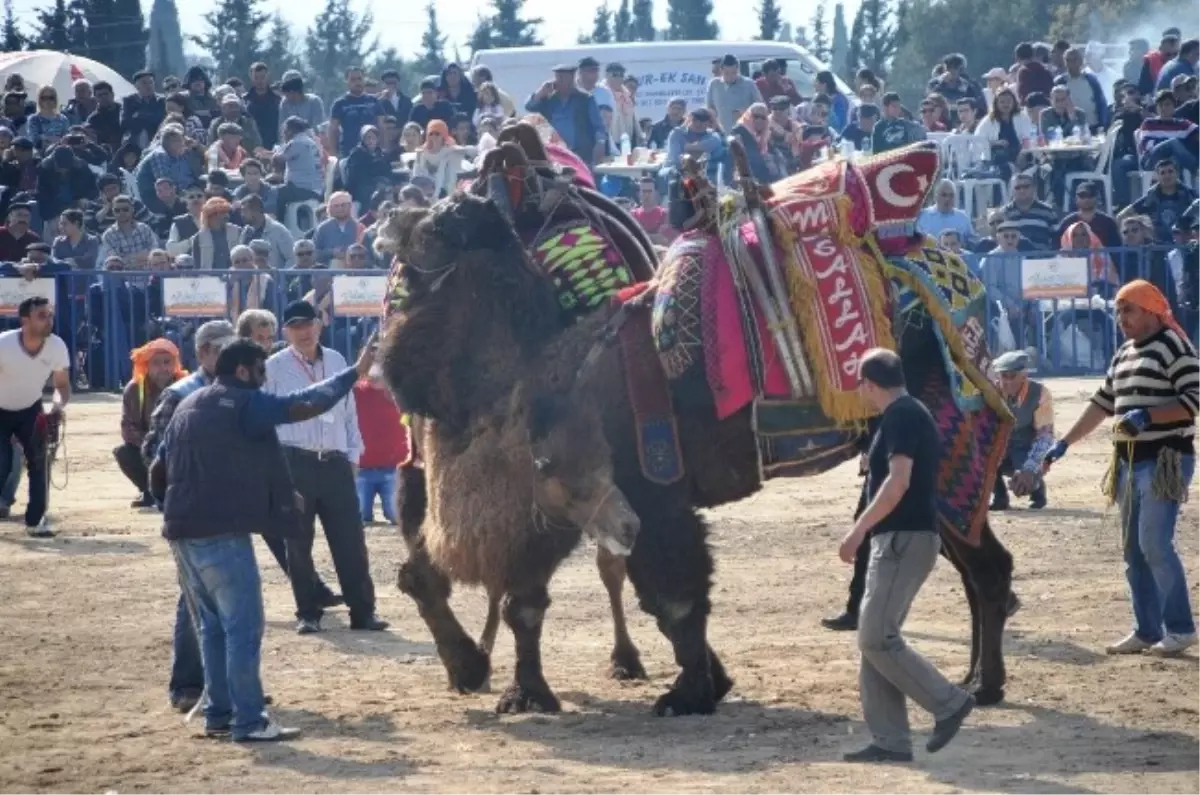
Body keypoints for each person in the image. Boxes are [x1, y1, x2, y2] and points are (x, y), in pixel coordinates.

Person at [153, 335, 377, 741]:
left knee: (213, 628)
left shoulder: (189, 403)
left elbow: (158, 468)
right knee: (243, 627)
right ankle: (249, 720)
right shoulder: (245, 402)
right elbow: (309, 402)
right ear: (242, 371)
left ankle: (218, 715)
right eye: (260, 370)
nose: (264, 377)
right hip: (222, 531)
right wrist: (355, 373)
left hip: (182, 531)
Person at [1043, 280, 1198, 657]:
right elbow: (1102, 403)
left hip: (1166, 458)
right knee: (1133, 550)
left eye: (1127, 310)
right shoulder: (1125, 353)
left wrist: (1148, 415)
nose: (1120, 319)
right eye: (1117, 311)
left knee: (1154, 544)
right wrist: (1064, 443)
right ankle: (1146, 629)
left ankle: (1179, 628)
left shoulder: (1174, 347)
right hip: (1129, 461)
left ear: (1149, 311)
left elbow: (1194, 399)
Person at [838, 348, 974, 763]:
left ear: (869, 384)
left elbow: (898, 484)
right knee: (874, 639)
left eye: (860, 384)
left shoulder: (901, 416)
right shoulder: (906, 413)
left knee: (877, 636)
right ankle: (890, 740)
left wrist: (857, 530)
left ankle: (949, 702)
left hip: (903, 538)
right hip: (899, 538)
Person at [266, 300, 388, 635]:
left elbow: (350, 412)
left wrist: (353, 456)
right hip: (295, 460)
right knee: (298, 542)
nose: (303, 332)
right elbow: (267, 418)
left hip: (334, 462)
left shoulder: (335, 360)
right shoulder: (274, 367)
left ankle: (363, 611)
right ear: (285, 331)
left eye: (308, 324)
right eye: (295, 326)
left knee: (350, 541)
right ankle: (308, 612)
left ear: (319, 325)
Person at [0, 297, 69, 536]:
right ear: (25, 320)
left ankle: (36, 520)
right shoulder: (4, 344)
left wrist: (56, 408)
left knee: (40, 463)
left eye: (50, 315)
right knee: (3, 463)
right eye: (42, 315)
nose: (49, 320)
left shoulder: (57, 345)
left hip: (31, 408)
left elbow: (61, 386)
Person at [116, 339, 188, 507]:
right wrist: (154, 446)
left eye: (167, 362)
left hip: (181, 448)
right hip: (149, 448)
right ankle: (148, 491)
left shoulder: (186, 386)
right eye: (156, 363)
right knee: (124, 453)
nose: (163, 368)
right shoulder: (134, 389)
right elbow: (128, 429)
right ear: (146, 366)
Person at [990, 351, 1053, 511]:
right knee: (984, 458)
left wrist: (1029, 469)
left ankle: (1037, 493)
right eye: (1004, 376)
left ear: (1024, 376)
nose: (1008, 382)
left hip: (1025, 447)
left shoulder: (1040, 393)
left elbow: (1045, 437)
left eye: (1013, 376)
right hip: (999, 444)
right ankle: (999, 496)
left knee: (1027, 467)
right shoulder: (990, 392)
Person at [353, 363, 407, 524]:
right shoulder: (355, 392)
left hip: (393, 468)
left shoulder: (400, 395)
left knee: (395, 515)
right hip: (362, 469)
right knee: (360, 515)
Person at [525, 65, 607, 169]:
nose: (559, 82)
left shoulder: (585, 99)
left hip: (580, 154)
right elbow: (529, 106)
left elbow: (598, 126)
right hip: (555, 154)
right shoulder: (548, 100)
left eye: (563, 78)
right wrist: (540, 92)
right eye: (558, 78)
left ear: (572, 79)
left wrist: (600, 143)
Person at [1120, 158, 1198, 244]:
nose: (1167, 175)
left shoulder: (1190, 195)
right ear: (1157, 176)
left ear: (1177, 174)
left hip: (1185, 246)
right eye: (1162, 173)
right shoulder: (1150, 197)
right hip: (1157, 248)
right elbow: (1122, 216)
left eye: (1170, 171)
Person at [329, 66, 384, 161]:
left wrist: (382, 149)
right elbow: (333, 130)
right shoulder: (340, 103)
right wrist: (334, 155)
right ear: (347, 81)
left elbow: (382, 127)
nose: (357, 82)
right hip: (348, 154)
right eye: (353, 80)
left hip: (372, 154)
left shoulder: (373, 101)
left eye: (359, 79)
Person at [1054, 47, 1111, 131]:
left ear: (1081, 61)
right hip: (1070, 129)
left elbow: (1101, 102)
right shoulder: (1060, 81)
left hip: (1092, 126)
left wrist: (1103, 123)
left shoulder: (1091, 80)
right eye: (1068, 60)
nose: (1072, 63)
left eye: (1075, 60)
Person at [706, 54, 763, 135]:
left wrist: (745, 113)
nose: (730, 76)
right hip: (722, 134)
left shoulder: (749, 84)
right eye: (727, 73)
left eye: (734, 72)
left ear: (738, 70)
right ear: (721, 70)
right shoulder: (714, 84)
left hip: (745, 133)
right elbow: (710, 108)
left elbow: (761, 108)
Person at [1000, 173, 1060, 250]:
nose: (1022, 190)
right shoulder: (1004, 213)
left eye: (1026, 187)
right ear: (1012, 191)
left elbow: (1057, 239)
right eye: (1017, 187)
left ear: (1034, 188)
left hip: (1041, 260)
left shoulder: (1048, 212)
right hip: (1015, 259)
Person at [1057, 182, 1120, 248]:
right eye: (1082, 196)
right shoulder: (1067, 222)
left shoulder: (1108, 222)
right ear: (1076, 199)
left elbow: (1117, 250)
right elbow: (1056, 248)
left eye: (1090, 195)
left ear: (1097, 198)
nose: (1086, 199)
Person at [187, 197, 241, 270]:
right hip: (209, 279)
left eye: (227, 212)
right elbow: (196, 265)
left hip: (234, 278)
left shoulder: (237, 231)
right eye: (222, 213)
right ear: (211, 215)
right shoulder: (199, 238)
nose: (227, 216)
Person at [120, 70, 166, 150]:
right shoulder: (129, 101)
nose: (148, 86)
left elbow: (162, 119)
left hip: (157, 139)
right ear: (136, 86)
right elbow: (124, 122)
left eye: (151, 82)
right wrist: (151, 116)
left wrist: (139, 115)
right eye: (144, 83)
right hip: (135, 141)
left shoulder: (162, 100)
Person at [244, 63, 281, 151]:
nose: (260, 81)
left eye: (262, 77)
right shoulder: (244, 100)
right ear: (251, 77)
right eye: (256, 77)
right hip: (251, 148)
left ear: (268, 76)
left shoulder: (278, 100)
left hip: (273, 147)